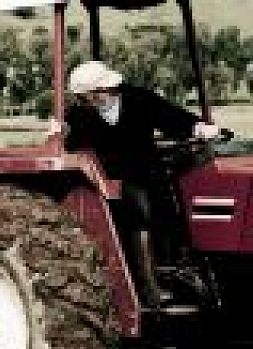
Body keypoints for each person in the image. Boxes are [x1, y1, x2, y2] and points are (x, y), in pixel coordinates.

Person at [49, 60, 221, 307]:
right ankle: (148, 287)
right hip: (107, 181)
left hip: (148, 172)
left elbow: (170, 116)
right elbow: (69, 147)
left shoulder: (139, 99)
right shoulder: (79, 115)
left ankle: (181, 266)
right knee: (138, 206)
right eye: (85, 97)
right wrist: (58, 135)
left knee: (174, 198)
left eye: (95, 93)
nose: (90, 99)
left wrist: (198, 127)